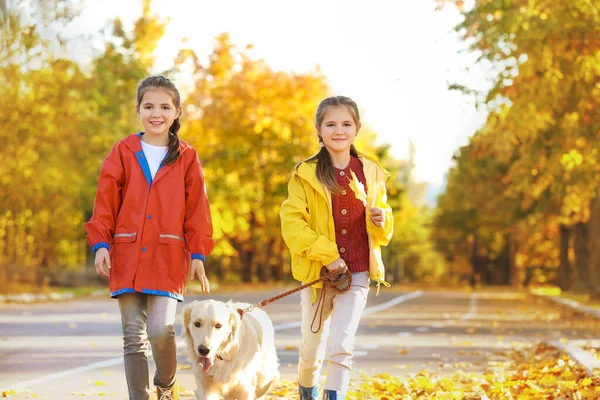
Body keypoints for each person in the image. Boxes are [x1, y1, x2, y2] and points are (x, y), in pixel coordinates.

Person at [85, 75, 215, 400]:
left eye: (164, 106)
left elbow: (198, 209)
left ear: (177, 111)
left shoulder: (186, 156)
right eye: (148, 106)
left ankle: (167, 383)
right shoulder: (123, 151)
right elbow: (105, 201)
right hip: (125, 254)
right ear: (138, 110)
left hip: (167, 257)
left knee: (160, 330)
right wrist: (101, 244)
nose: (156, 113)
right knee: (133, 336)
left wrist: (197, 254)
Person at [279, 96, 394, 400]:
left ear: (357, 128)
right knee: (312, 346)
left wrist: (381, 220)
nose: (338, 130)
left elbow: (383, 222)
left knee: (342, 344)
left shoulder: (371, 173)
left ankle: (334, 395)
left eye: (346, 124)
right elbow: (292, 224)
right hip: (319, 274)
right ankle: (307, 389)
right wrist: (328, 255)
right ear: (319, 129)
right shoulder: (305, 173)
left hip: (357, 271)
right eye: (331, 124)